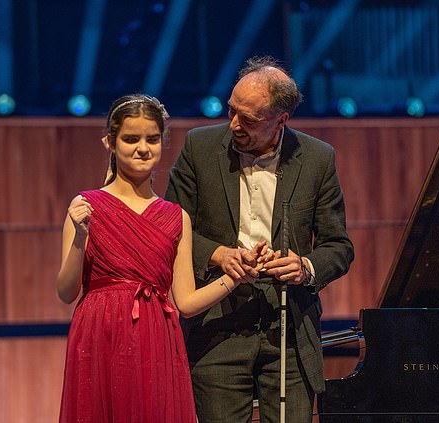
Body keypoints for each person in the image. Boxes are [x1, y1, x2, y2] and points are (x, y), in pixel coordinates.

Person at [56, 94, 271, 423]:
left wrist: (236, 276)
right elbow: (66, 292)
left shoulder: (176, 217)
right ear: (110, 142)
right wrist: (80, 236)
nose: (143, 148)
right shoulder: (87, 206)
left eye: (152, 139)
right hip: (100, 334)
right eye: (131, 139)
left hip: (156, 338)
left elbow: (186, 302)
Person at [164, 56, 355, 422]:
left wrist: (305, 266)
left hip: (288, 328)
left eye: (248, 119)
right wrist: (220, 255)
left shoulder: (317, 158)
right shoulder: (199, 147)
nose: (234, 123)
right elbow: (170, 227)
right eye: (232, 110)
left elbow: (338, 246)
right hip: (216, 325)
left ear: (281, 119)